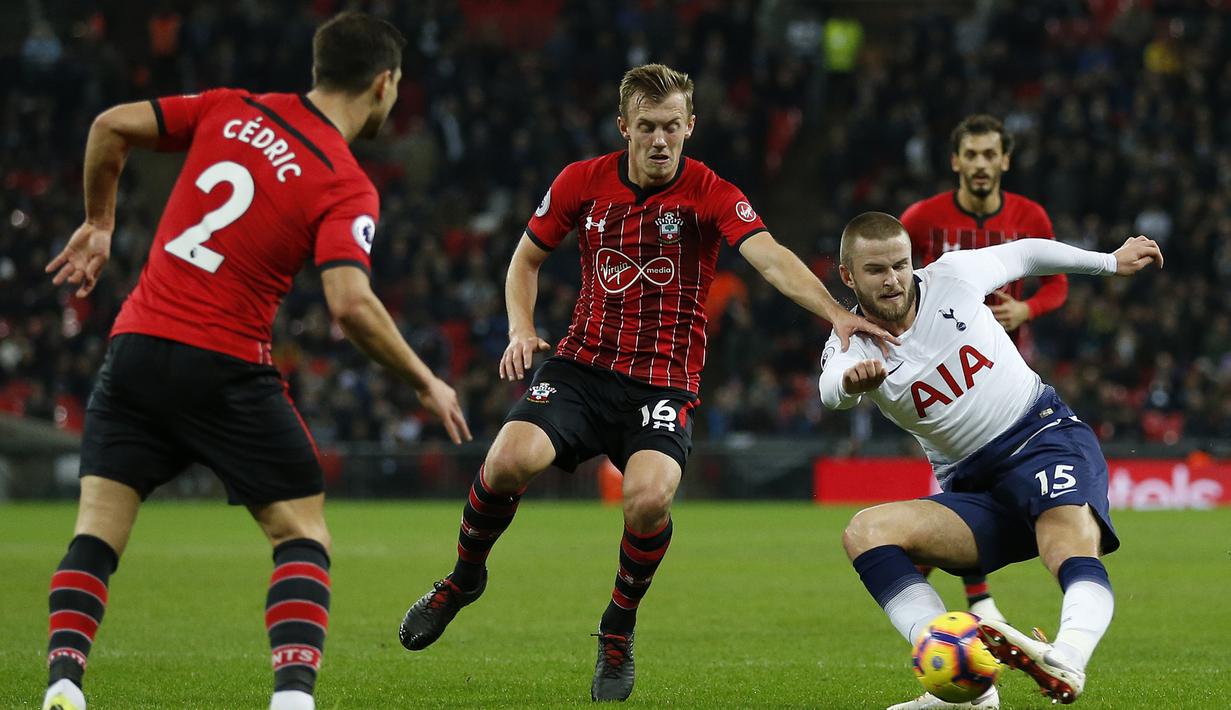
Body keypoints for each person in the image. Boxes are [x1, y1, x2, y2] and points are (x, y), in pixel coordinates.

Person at [397, 63, 894, 702]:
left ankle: (617, 628)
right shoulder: (581, 181)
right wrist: (521, 328)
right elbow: (525, 258)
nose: (660, 141)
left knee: (649, 499)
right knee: (509, 459)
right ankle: (462, 580)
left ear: (691, 125)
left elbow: (766, 252)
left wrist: (834, 311)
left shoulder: (711, 191)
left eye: (672, 127)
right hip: (581, 366)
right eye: (647, 128)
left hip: (662, 383)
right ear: (623, 127)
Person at [40, 13, 470, 710]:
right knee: (301, 531)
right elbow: (350, 304)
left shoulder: (229, 107)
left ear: (318, 66)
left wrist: (100, 220)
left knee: (96, 531)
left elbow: (110, 125)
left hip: (137, 348)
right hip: (223, 363)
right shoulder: (343, 180)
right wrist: (423, 379)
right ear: (384, 84)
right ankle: (292, 699)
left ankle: (63, 681)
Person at [818, 212, 1161, 709]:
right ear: (848, 276)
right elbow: (831, 390)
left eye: (900, 264)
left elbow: (1026, 252)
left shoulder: (952, 278)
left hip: (1041, 437)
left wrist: (1109, 262)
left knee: (1065, 544)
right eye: (876, 271)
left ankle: (1066, 658)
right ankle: (966, 685)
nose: (893, 280)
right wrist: (850, 385)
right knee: (864, 532)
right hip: (972, 489)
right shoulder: (851, 343)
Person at [897, 114, 1068, 634]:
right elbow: (893, 278)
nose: (979, 164)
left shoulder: (1029, 216)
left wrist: (1027, 312)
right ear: (955, 161)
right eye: (970, 155)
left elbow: (1056, 282)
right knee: (958, 477)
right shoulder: (923, 219)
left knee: (975, 482)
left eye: (989, 154)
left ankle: (962, 586)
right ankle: (976, 594)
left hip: (1007, 372)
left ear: (1005, 160)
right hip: (942, 375)